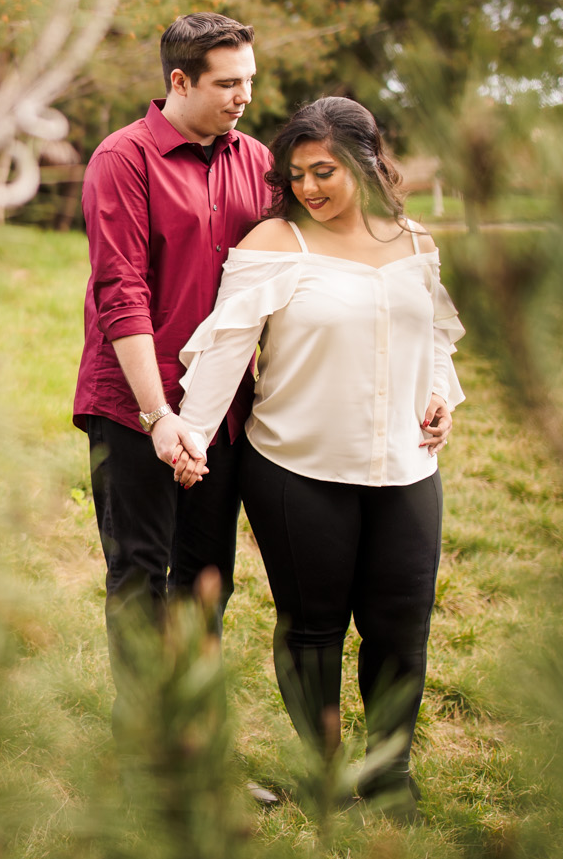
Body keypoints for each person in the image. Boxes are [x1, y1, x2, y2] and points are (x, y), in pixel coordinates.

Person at [173, 96, 462, 807]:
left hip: (406, 469)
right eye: (296, 173)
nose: (308, 187)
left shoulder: (414, 241)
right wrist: (187, 434)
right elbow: (225, 348)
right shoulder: (276, 242)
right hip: (298, 469)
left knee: (402, 629)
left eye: (323, 171)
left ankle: (389, 773)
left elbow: (433, 337)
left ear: (365, 163)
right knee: (314, 629)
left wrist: (441, 399)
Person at [72, 12, 274, 739]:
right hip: (133, 407)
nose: (243, 96)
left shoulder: (255, 160)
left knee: (204, 580)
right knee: (141, 579)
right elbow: (119, 290)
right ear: (179, 81)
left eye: (249, 80)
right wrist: (161, 418)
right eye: (228, 83)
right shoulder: (122, 159)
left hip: (221, 409)